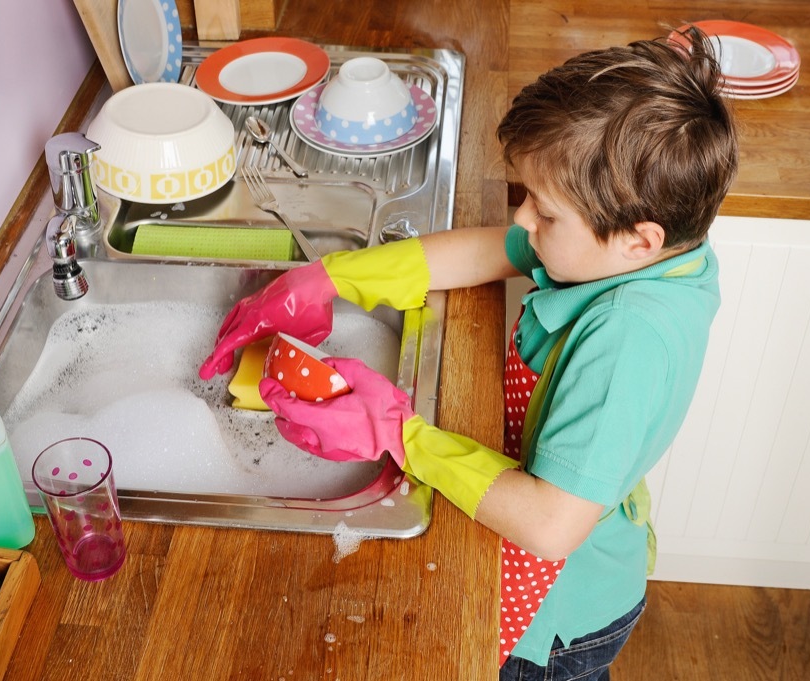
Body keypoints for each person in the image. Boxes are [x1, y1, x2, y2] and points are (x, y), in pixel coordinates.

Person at [199, 26, 737, 680]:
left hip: (559, 612)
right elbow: (489, 250)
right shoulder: (641, 252)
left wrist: (400, 432)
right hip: (569, 548)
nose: (522, 223)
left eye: (544, 211)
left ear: (638, 240)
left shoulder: (626, 339)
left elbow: (548, 523)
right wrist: (334, 276)